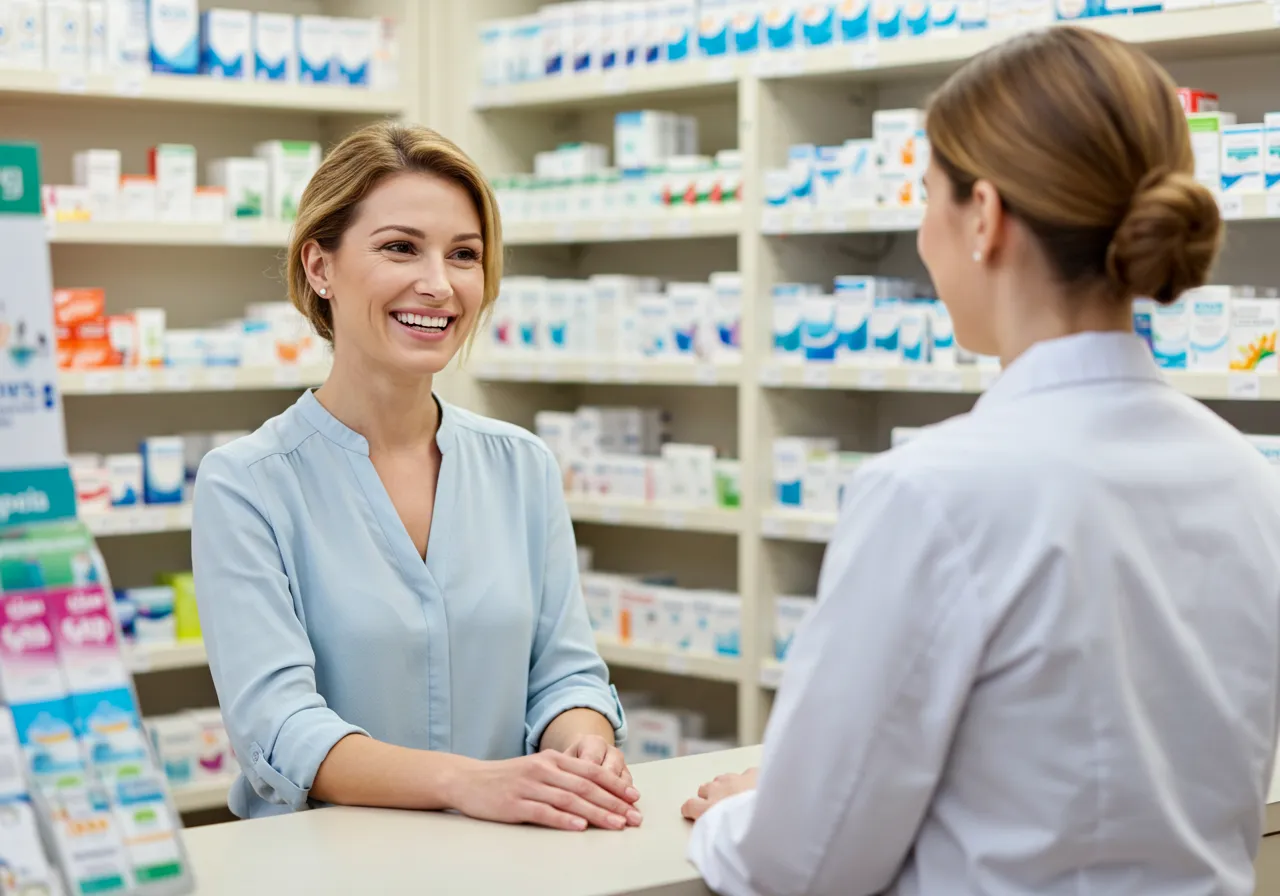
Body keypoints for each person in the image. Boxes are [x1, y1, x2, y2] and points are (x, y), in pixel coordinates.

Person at [683, 26, 1280, 895]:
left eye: (928, 195)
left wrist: (743, 810)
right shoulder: (1248, 479)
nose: (923, 232)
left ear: (985, 218)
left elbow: (800, 864)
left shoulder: (934, 492)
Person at [191, 122, 643, 833]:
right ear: (320, 266)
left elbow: (565, 675)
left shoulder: (521, 465)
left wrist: (582, 747)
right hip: (326, 866)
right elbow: (279, 727)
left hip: (509, 856)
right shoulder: (247, 484)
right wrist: (470, 783)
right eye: (401, 247)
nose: (438, 285)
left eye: (464, 254)